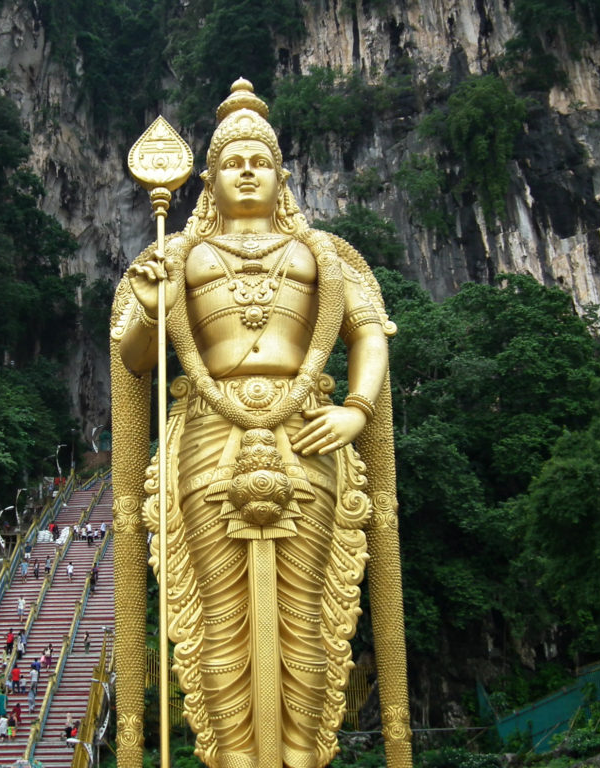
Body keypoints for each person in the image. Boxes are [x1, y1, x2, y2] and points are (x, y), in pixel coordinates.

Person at [111, 79, 406, 768]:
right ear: (208, 178)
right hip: (209, 432)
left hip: (309, 430)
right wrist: (154, 302)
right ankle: (234, 759)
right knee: (218, 620)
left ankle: (304, 757)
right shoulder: (176, 257)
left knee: (307, 616)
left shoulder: (327, 256)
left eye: (260, 161)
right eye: (234, 161)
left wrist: (354, 409)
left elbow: (370, 336)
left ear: (283, 175)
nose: (247, 170)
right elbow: (133, 358)